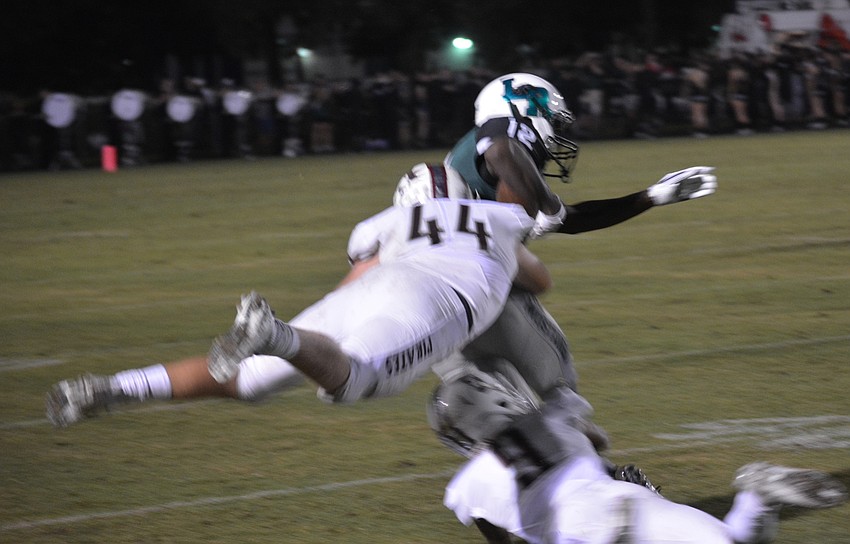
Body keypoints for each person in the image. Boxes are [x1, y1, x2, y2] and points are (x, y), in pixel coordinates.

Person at [46, 194, 551, 425]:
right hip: (429, 297)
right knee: (353, 377)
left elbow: (356, 276)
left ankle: (115, 386)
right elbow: (539, 280)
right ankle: (279, 337)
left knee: (245, 381)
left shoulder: (393, 219)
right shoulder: (493, 219)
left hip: (367, 288)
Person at [432, 376, 848, 544]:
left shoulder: (468, 486)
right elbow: (597, 442)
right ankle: (757, 494)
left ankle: (758, 498)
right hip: (626, 501)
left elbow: (501, 536)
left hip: (580, 531)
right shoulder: (554, 417)